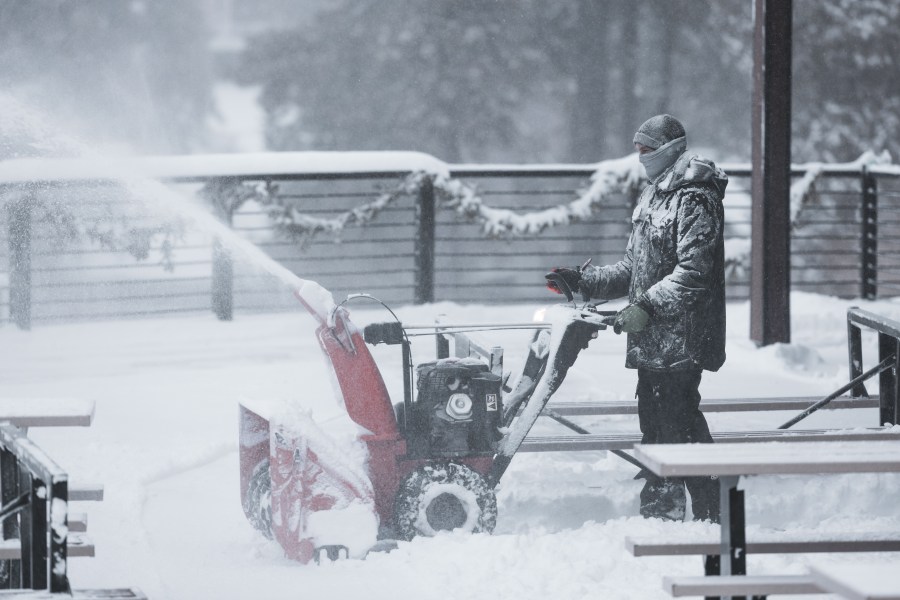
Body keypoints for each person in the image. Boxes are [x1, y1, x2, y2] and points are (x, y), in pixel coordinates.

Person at [546, 114, 728, 522]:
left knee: (679, 418)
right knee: (656, 415)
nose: (640, 155)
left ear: (670, 149)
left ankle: (708, 508)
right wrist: (586, 281)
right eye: (638, 148)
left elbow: (694, 273)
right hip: (650, 337)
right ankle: (668, 499)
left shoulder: (695, 198)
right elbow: (634, 266)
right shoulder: (651, 195)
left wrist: (646, 306)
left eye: (647, 148)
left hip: (684, 336)